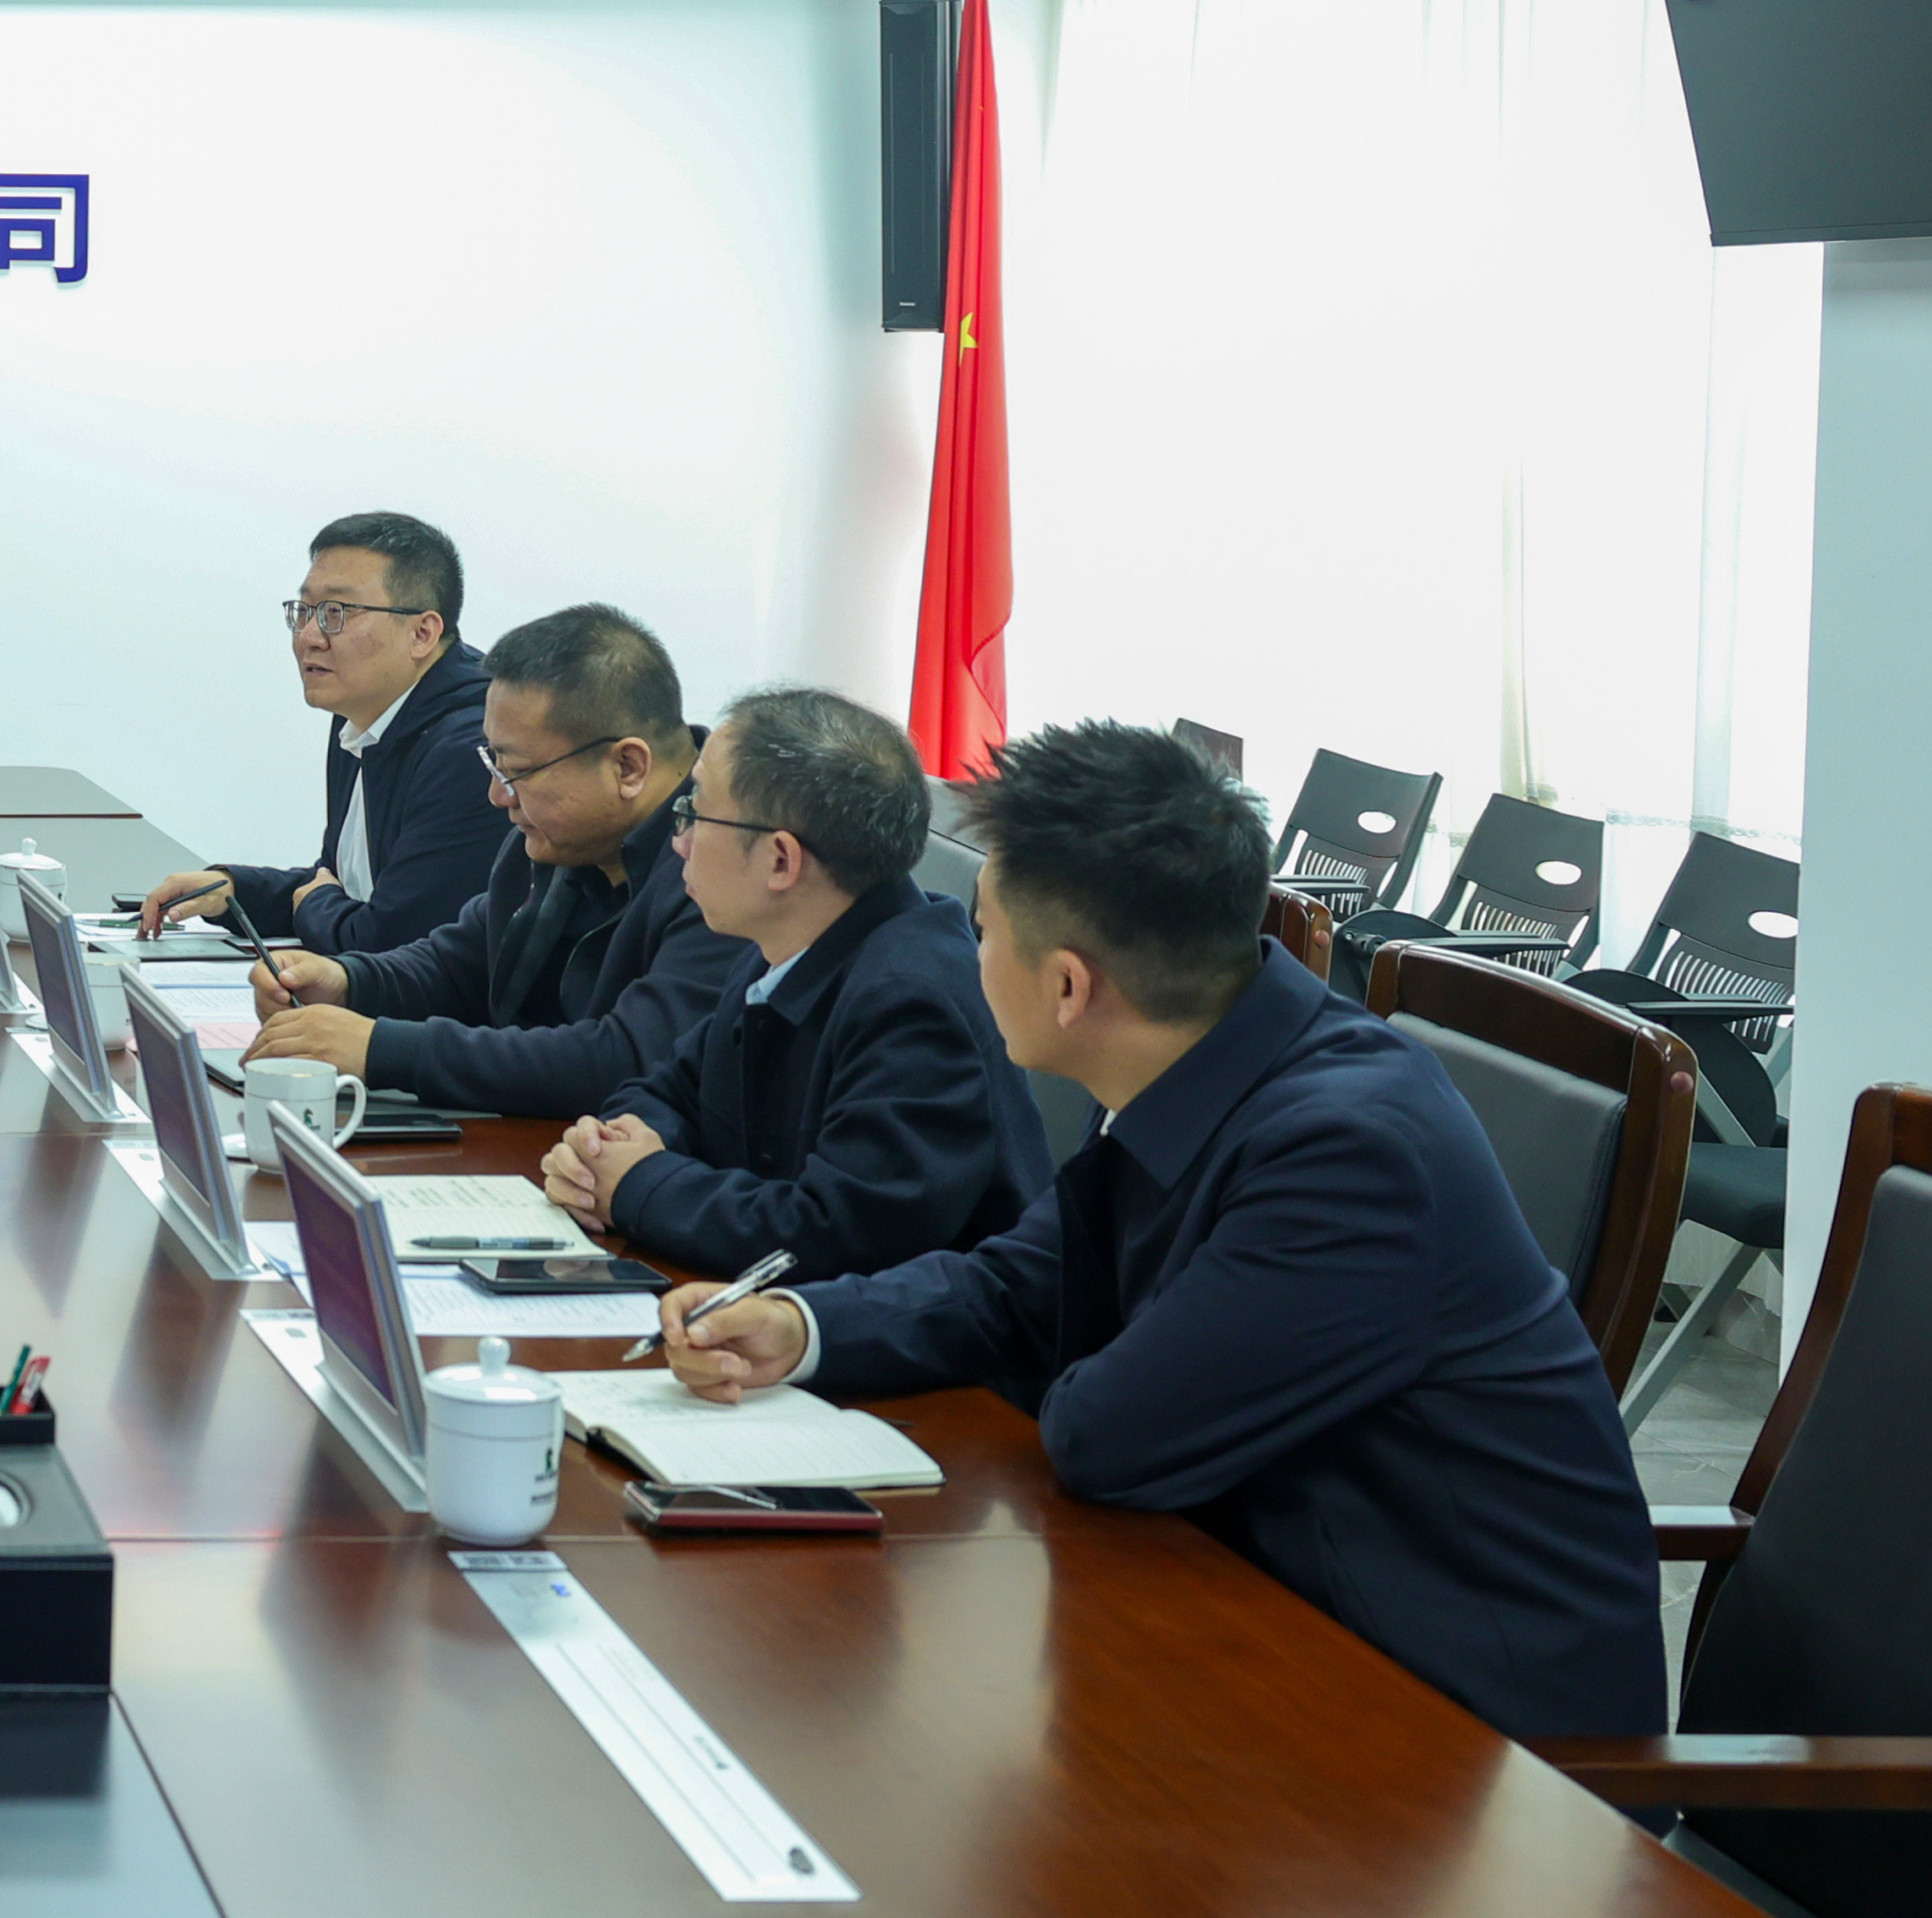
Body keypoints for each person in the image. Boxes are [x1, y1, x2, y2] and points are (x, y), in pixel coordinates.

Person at [656, 722, 1666, 1745]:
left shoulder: (1349, 1156)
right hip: (1262, 1618)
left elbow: (1106, 1434)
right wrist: (801, 1325)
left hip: (1466, 1735)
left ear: (1067, 987)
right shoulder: (1212, 1054)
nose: (967, 955)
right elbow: (1017, 1283)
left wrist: (1055, 1355)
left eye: (982, 933)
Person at [541, 686, 1049, 1281]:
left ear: (781, 861)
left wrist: (637, 1184)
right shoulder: (787, 946)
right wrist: (605, 1150)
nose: (678, 841)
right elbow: (673, 1088)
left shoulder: (913, 1002)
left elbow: (835, 1234)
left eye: (695, 811)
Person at [240, 602, 744, 1117]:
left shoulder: (722, 866)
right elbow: (461, 965)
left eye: (516, 772)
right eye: (494, 763)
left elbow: (629, 1059)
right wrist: (348, 982)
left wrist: (381, 1049)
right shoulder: (561, 841)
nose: (498, 796)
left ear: (628, 767)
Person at [138, 510, 502, 957]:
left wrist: (316, 901)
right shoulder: (362, 716)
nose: (309, 636)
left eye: (336, 612)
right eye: (305, 611)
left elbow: (390, 940)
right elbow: (340, 885)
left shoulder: (471, 749)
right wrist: (235, 890)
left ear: (422, 633)